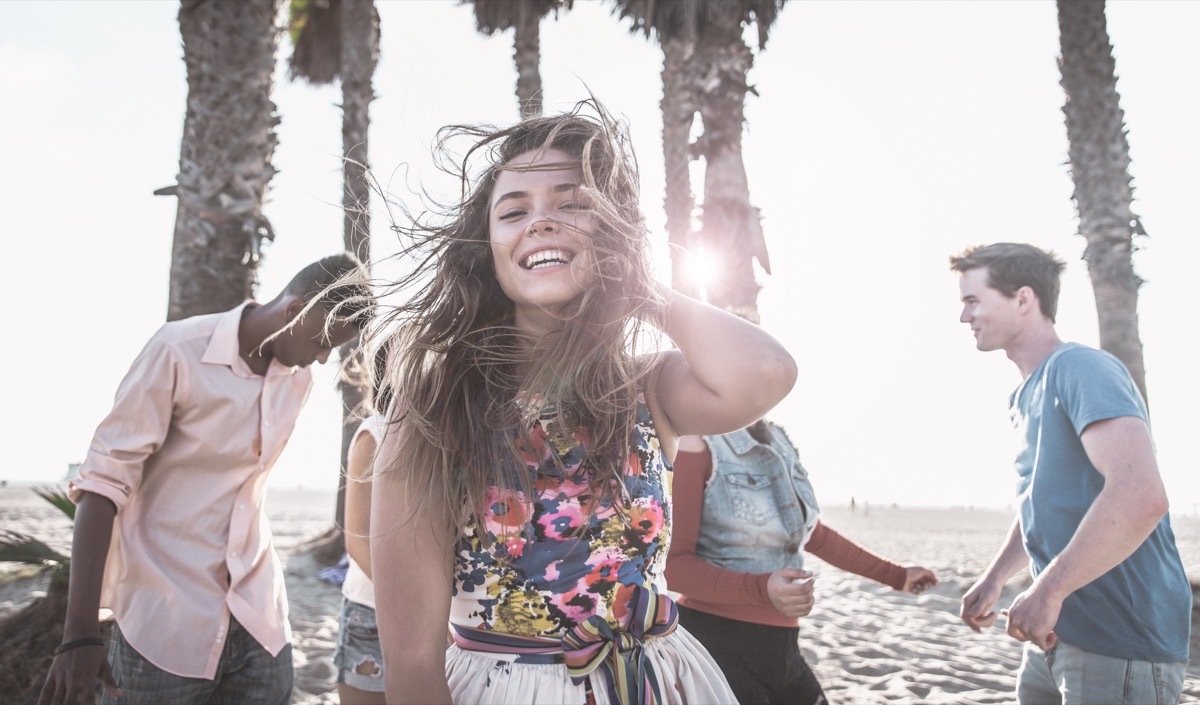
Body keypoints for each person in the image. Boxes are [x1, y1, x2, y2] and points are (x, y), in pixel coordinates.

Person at [368, 100, 798, 705]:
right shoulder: (435, 409)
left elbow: (766, 372)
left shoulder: (647, 387)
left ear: (613, 233)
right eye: (514, 212)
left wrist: (642, 287)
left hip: (661, 682)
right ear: (487, 248)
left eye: (573, 204)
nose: (541, 223)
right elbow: (411, 659)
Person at [40, 253, 373, 705]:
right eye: (321, 341)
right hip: (165, 620)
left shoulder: (296, 381)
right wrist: (78, 633)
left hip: (260, 617)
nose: (319, 358)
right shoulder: (178, 350)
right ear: (294, 310)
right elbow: (101, 486)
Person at [950, 242, 1190, 704]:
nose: (965, 317)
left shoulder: (1081, 368)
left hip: (1121, 640)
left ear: (1023, 299)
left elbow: (1141, 494)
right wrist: (996, 577)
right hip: (1055, 636)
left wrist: (1047, 590)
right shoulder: (1023, 395)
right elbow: (1043, 501)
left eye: (973, 300)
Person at [667, 419, 938, 705]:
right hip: (715, 645)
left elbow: (812, 533)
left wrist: (897, 575)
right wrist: (762, 589)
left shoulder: (778, 438)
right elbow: (673, 567)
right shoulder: (697, 442)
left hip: (785, 649)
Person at [334, 345, 392, 705]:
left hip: (436, 612)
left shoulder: (445, 435)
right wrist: (409, 605)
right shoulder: (376, 432)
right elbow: (356, 541)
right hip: (372, 610)